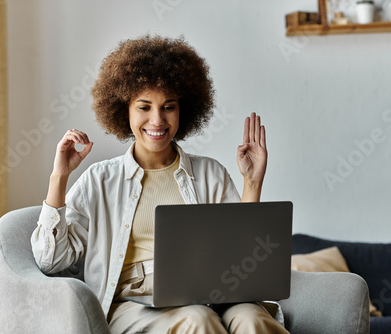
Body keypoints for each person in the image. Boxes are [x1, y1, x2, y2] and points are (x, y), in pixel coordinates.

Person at [31, 35, 288, 334]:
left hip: (210, 298)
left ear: (184, 110)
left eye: (168, 107)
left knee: (252, 318)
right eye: (144, 107)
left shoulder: (211, 173)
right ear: (123, 109)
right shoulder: (99, 180)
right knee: (197, 319)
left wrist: (252, 183)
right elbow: (51, 261)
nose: (157, 120)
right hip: (133, 304)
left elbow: (247, 261)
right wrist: (59, 177)